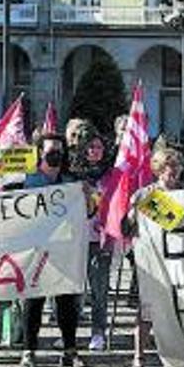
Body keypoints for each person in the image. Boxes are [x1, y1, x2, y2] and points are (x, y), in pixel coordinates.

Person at [20, 133, 84, 367]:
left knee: (67, 302)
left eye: (59, 150)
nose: (55, 155)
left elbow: (87, 210)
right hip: (34, 249)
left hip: (63, 250)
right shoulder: (26, 179)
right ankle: (29, 351)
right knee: (33, 301)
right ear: (39, 153)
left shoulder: (71, 181)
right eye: (50, 151)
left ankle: (70, 350)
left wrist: (88, 197)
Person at [127, 146, 184, 367]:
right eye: (169, 167)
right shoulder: (144, 195)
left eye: (177, 167)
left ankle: (181, 354)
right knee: (146, 310)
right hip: (150, 260)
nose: (174, 172)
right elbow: (127, 228)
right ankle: (139, 356)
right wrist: (132, 213)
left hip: (179, 260)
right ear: (159, 170)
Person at [71, 130, 114, 352]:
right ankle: (70, 333)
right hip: (75, 239)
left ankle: (98, 332)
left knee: (99, 288)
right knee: (74, 290)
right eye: (90, 147)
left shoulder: (111, 175)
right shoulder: (73, 175)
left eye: (98, 147)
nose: (94, 151)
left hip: (100, 238)